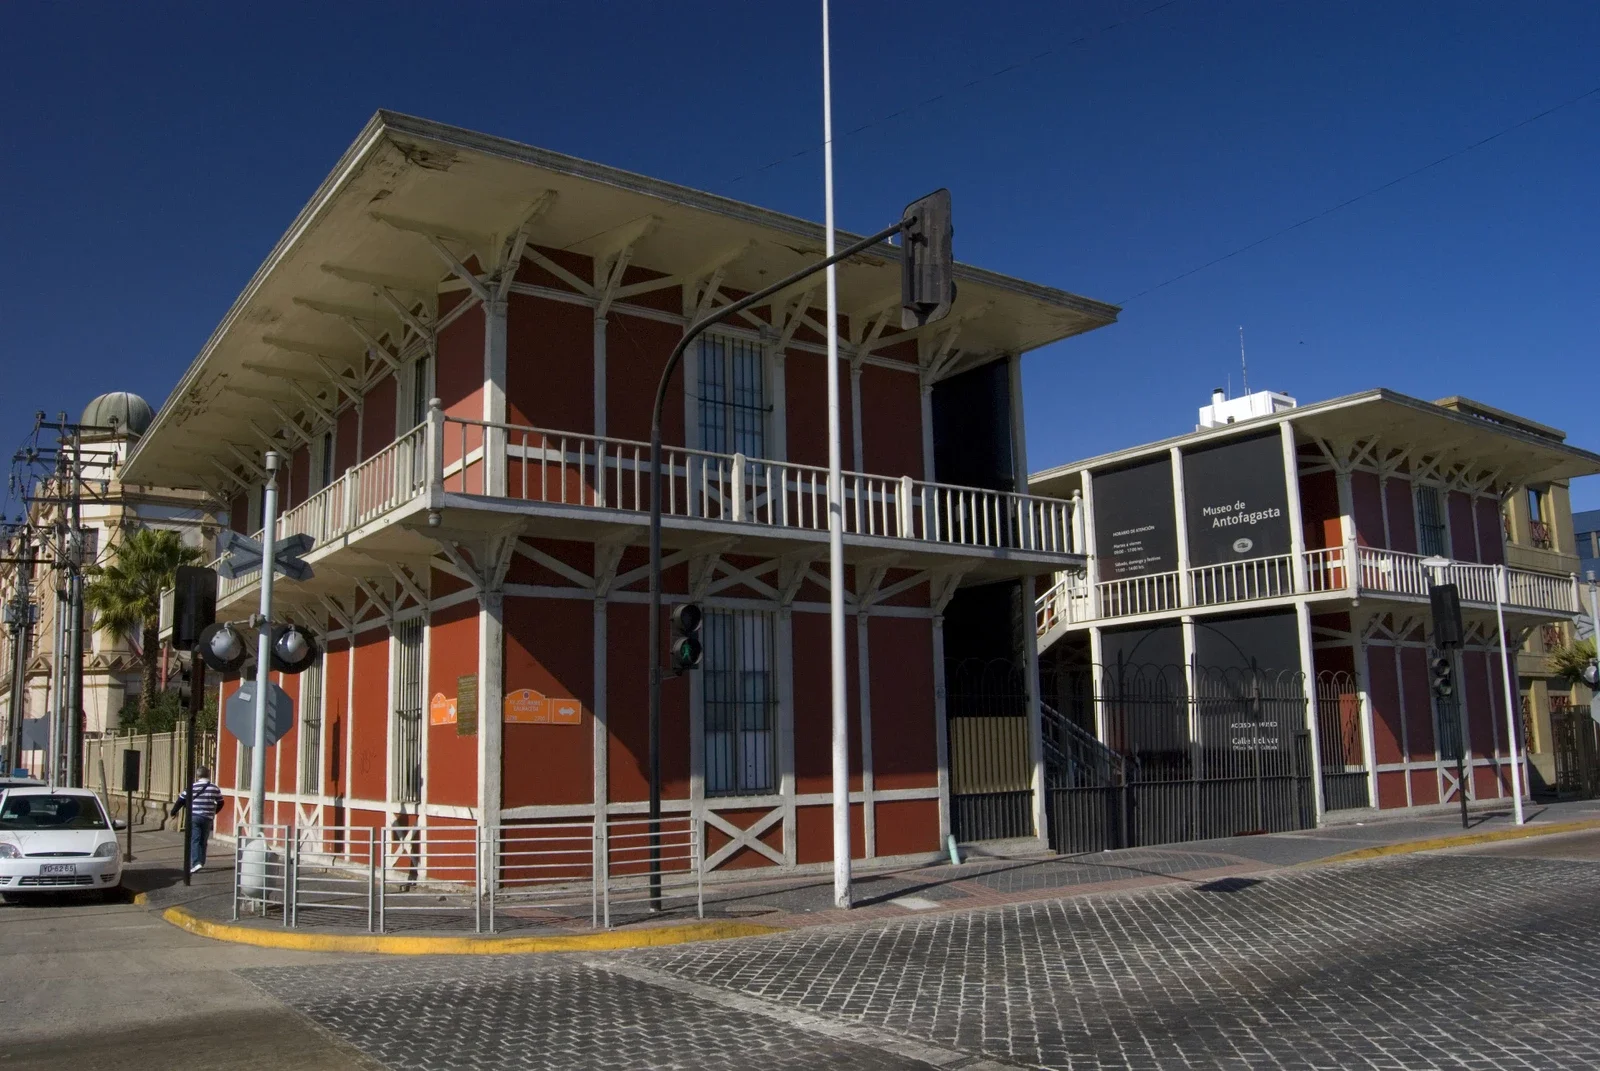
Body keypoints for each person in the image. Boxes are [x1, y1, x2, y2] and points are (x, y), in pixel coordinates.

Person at [171, 767, 224, 873]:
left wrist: (173, 812)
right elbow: (221, 802)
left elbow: (181, 800)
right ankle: (201, 862)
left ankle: (196, 862)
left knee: (195, 840)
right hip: (207, 817)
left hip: (194, 816)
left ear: (198, 775)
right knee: (203, 841)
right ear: (208, 774)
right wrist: (214, 812)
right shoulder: (214, 788)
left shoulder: (192, 787)